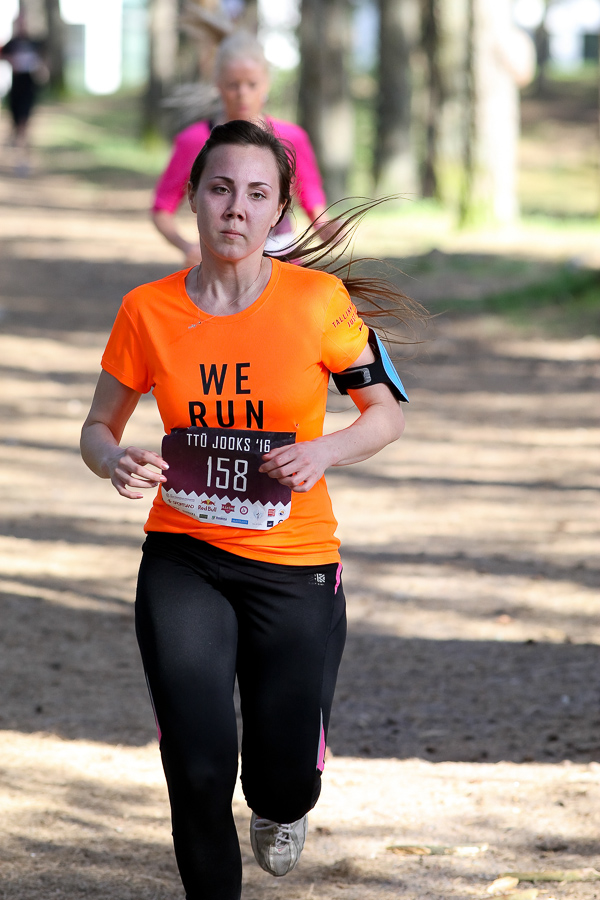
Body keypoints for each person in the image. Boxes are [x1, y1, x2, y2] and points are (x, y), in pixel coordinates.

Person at [81, 120, 419, 900]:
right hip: (184, 558)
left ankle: (285, 799)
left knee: (283, 779)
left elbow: (385, 414)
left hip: (295, 566)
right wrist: (113, 459)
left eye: (257, 194)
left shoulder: (319, 302)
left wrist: (324, 452)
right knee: (198, 770)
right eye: (221, 188)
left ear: (279, 212)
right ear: (194, 198)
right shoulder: (146, 310)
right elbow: (98, 428)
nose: (237, 207)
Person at [152, 31, 330, 266]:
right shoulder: (194, 140)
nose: (242, 94)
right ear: (218, 84)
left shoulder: (292, 138)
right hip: (220, 262)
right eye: (233, 85)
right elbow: (162, 207)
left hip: (282, 261)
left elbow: (312, 197)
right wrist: (187, 247)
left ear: (266, 83)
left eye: (252, 84)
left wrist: (328, 230)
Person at [0, 15, 46, 176]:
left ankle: (23, 160)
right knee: (16, 125)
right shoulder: (11, 44)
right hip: (15, 89)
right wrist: (11, 60)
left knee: (23, 125)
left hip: (29, 89)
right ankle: (18, 153)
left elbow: (43, 64)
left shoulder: (34, 43)